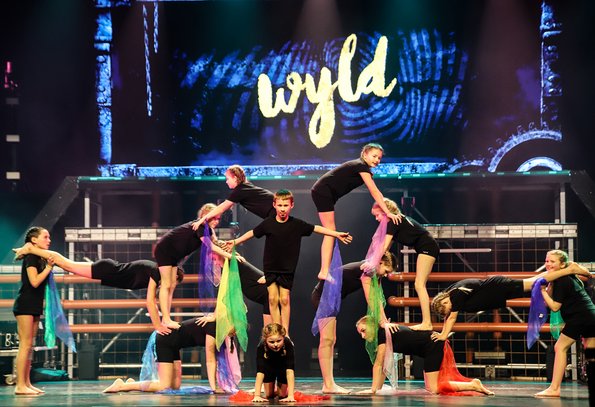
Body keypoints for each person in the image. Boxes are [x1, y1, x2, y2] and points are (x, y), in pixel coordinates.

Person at [225, 189, 352, 332]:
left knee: (284, 299)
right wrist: (235, 241)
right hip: (271, 267)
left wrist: (336, 234)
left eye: (285, 205)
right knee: (272, 299)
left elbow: (316, 228)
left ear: (291, 205)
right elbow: (253, 233)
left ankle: (285, 332)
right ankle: (277, 329)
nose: (282, 209)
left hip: (287, 268)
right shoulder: (268, 223)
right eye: (279, 205)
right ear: (274, 205)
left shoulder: (296, 224)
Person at [430, 261, 592, 342]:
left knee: (535, 283)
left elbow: (451, 318)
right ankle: (563, 271)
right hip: (497, 291)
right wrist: (444, 331)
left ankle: (569, 269)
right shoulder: (450, 292)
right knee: (535, 282)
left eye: (447, 307)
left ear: (444, 301)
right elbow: (449, 316)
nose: (450, 309)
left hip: (498, 288)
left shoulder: (456, 295)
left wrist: (443, 335)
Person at [311, 143, 400, 281]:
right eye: (374, 156)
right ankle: (324, 271)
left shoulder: (362, 168)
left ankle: (324, 270)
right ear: (365, 154)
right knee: (330, 231)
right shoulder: (361, 166)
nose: (377, 160)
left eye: (379, 158)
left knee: (330, 231)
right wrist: (388, 212)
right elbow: (374, 190)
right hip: (323, 191)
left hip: (322, 192)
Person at [311, 252, 396, 394]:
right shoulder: (367, 270)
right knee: (327, 339)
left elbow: (377, 298)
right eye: (386, 271)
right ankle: (328, 384)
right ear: (380, 263)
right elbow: (371, 298)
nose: (386, 275)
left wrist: (384, 321)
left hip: (332, 298)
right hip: (324, 296)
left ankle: (329, 383)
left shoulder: (373, 272)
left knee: (331, 340)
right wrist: (382, 322)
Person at [153, 203, 244, 331]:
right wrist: (229, 256)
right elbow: (210, 246)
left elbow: (216, 242)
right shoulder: (200, 226)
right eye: (214, 218)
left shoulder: (208, 230)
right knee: (166, 284)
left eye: (218, 219)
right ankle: (166, 319)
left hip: (174, 255)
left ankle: (166, 319)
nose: (217, 222)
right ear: (205, 216)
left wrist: (231, 251)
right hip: (165, 250)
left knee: (172, 284)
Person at [355, 316, 494, 396]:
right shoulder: (384, 333)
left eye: (363, 330)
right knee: (432, 389)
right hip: (430, 346)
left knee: (433, 389)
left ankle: (473, 385)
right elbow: (383, 366)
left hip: (432, 345)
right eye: (360, 333)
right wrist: (377, 390)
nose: (362, 336)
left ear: (372, 325)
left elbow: (379, 364)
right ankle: (472, 385)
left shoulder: (382, 333)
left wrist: (373, 390)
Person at [364, 198, 439, 331]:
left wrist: (371, 263)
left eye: (377, 215)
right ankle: (426, 322)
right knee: (419, 284)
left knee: (419, 284)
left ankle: (427, 323)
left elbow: (384, 246)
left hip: (427, 246)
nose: (376, 219)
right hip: (425, 247)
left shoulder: (393, 221)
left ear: (386, 211)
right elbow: (385, 249)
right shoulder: (396, 221)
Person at [103, 318, 229, 394]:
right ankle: (121, 385)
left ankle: (134, 384)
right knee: (164, 386)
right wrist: (214, 388)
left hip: (175, 344)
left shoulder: (218, 328)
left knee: (175, 387)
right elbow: (210, 360)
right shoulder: (213, 327)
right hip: (165, 340)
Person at [534, 250, 595, 398]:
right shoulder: (566, 277)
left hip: (579, 317)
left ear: (562, 265)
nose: (548, 264)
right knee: (591, 354)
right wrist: (547, 288)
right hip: (590, 315)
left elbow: (554, 307)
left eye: (552, 261)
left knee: (560, 347)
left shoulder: (562, 280)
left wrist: (542, 291)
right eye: (547, 261)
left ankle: (554, 388)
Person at [12, 227, 54, 395]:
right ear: (34, 240)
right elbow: (34, 281)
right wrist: (48, 268)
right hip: (25, 304)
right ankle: (19, 385)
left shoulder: (38, 256)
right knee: (25, 345)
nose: (49, 240)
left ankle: (27, 383)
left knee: (30, 346)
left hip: (34, 305)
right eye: (45, 237)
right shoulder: (31, 257)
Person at [191, 164, 275, 229]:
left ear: (234, 178)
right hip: (272, 212)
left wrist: (201, 220)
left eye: (227, 179)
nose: (226, 182)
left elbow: (221, 208)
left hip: (274, 211)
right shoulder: (244, 187)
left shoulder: (240, 189)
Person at [252, 323, 296, 402]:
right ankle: (274, 389)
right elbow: (260, 372)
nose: (275, 344)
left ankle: (279, 390)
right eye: (271, 342)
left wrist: (291, 396)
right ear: (266, 340)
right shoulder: (261, 346)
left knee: (282, 395)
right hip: (269, 367)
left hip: (282, 367)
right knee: (269, 395)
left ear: (283, 337)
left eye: (279, 341)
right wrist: (257, 395)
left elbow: (290, 370)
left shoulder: (288, 343)